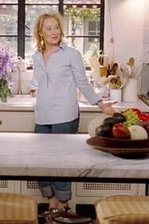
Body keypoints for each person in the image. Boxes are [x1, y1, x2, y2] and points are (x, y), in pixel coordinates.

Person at [32, 12, 116, 213]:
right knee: (38, 160)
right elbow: (39, 81)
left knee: (61, 162)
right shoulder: (36, 55)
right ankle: (51, 200)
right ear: (40, 33)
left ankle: (62, 206)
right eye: (49, 28)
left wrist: (101, 104)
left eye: (57, 27)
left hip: (65, 114)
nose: (54, 32)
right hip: (42, 114)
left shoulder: (71, 54)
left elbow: (83, 84)